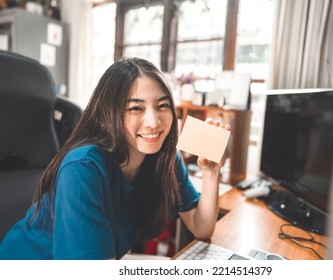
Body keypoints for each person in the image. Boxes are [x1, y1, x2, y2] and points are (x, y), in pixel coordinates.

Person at [0, 57, 230, 260]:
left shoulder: (163, 157)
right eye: (135, 109)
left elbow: (201, 227)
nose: (154, 122)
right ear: (110, 113)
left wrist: (211, 172)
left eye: (162, 106)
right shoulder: (82, 168)